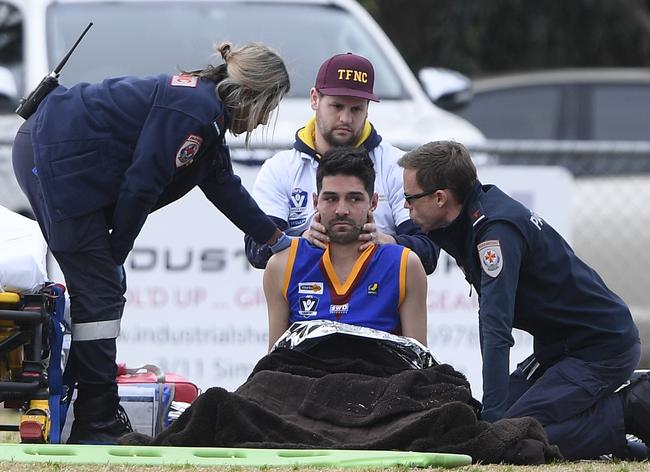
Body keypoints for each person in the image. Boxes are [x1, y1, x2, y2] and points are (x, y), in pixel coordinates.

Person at [12, 42, 293, 444]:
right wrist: (116, 251)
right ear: (253, 96)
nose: (265, 118)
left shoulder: (204, 110)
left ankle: (88, 407)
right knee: (101, 291)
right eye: (270, 106)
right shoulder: (195, 110)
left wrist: (277, 239)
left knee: (103, 291)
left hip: (56, 152)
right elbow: (142, 183)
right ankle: (96, 419)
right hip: (55, 158)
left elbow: (222, 185)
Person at [397, 140, 650, 460]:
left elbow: (496, 327)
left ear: (439, 198)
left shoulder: (495, 232)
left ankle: (631, 407)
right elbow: (414, 244)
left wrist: (494, 418)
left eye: (409, 199)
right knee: (486, 427)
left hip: (601, 348)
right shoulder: (458, 212)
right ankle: (613, 432)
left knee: (511, 437)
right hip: (559, 349)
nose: (406, 206)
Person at [245, 52, 439, 274]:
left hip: (379, 303)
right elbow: (255, 250)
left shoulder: (398, 166)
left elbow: (429, 253)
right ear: (314, 99)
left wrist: (385, 242)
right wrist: (301, 241)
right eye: (337, 106)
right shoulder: (279, 169)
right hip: (306, 305)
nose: (346, 119)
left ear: (367, 108)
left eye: (356, 109)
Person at [263, 146, 428, 349]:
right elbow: (274, 362)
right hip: (306, 379)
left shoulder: (405, 264)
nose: (342, 210)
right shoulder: (282, 264)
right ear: (316, 201)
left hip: (380, 380)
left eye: (354, 198)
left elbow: (418, 362)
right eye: (331, 198)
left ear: (373, 202)